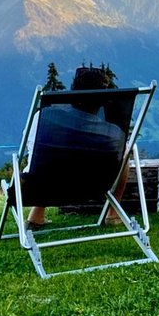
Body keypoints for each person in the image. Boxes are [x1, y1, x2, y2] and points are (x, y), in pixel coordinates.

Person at [26, 64, 127, 229]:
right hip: (92, 186)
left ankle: (36, 217)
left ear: (74, 92)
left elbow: (29, 146)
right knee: (126, 153)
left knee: (46, 160)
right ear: (103, 99)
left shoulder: (44, 118)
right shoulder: (112, 133)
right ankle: (114, 214)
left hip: (41, 185)